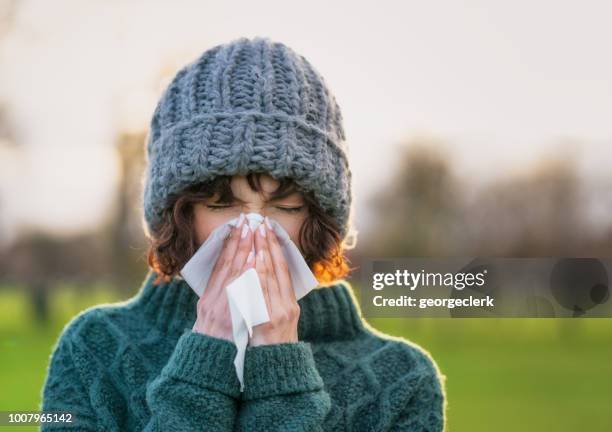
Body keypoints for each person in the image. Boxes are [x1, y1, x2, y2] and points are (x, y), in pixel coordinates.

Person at [40, 36, 447, 431]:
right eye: (221, 204)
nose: (253, 231)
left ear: (321, 217)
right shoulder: (94, 349)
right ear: (178, 213)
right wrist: (203, 365)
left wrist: (279, 370)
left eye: (285, 207)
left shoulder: (402, 380)